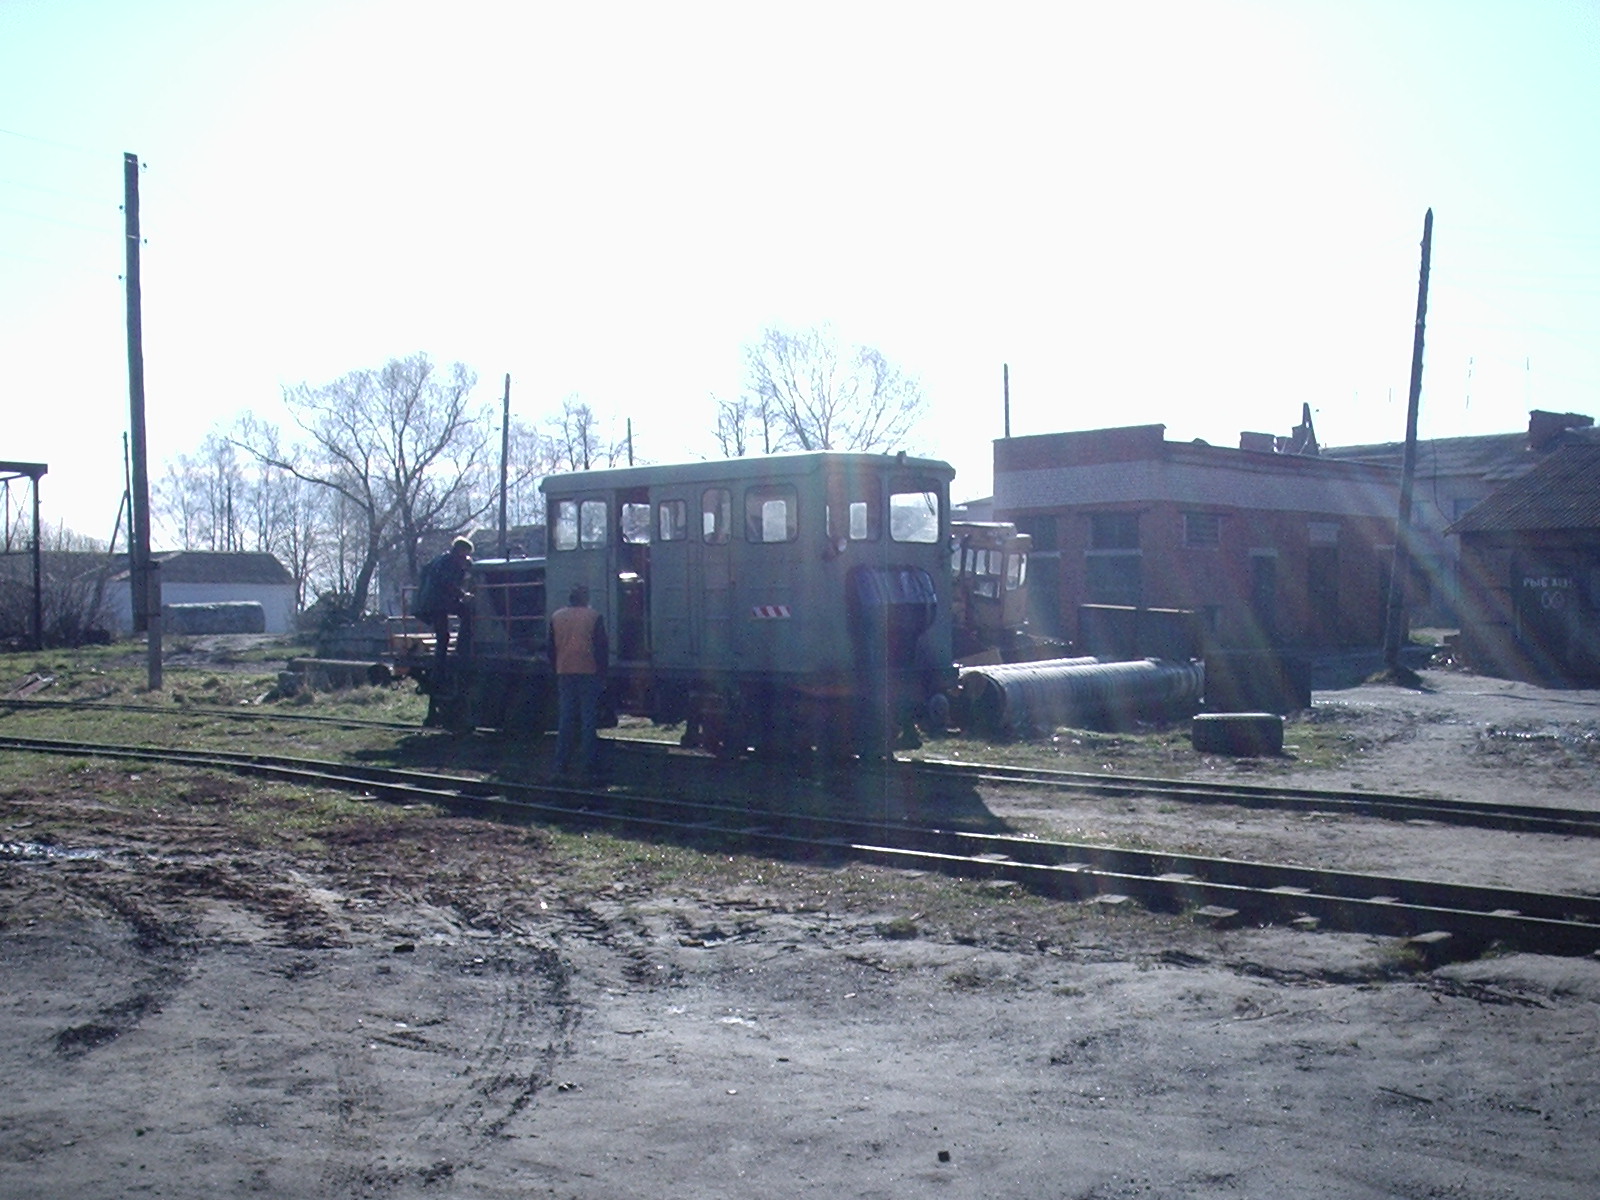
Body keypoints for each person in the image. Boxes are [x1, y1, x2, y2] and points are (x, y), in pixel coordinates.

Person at [548, 583, 608, 780]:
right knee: (588, 719)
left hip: (564, 671)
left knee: (565, 719)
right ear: (586, 599)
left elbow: (551, 649)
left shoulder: (557, 617)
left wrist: (556, 669)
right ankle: (588, 763)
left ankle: (560, 763)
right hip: (588, 671)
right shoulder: (594, 617)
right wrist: (602, 675)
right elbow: (601, 648)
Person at [415, 537, 474, 669]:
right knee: (443, 635)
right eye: (466, 552)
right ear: (461, 550)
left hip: (439, 601)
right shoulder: (448, 562)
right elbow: (446, 583)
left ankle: (457, 651)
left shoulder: (444, 560)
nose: (467, 556)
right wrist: (462, 595)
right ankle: (441, 666)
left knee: (463, 614)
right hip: (436, 602)